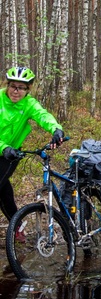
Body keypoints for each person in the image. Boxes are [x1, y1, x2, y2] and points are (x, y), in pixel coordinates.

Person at [0, 67, 64, 237]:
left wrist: (56, 129)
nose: (16, 91)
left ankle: (16, 226)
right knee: (3, 188)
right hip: (3, 148)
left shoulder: (29, 104)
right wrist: (3, 147)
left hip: (10, 154)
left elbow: (43, 115)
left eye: (21, 88)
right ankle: (17, 226)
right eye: (13, 86)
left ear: (27, 90)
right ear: (7, 85)